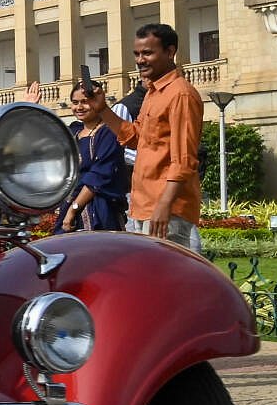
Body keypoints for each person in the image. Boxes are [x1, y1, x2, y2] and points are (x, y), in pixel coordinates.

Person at [90, 22, 204, 250]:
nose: (140, 60)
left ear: (170, 52)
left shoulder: (180, 94)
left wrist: (164, 204)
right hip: (144, 205)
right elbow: (135, 138)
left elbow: (184, 160)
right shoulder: (153, 93)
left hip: (166, 209)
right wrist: (102, 109)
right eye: (137, 54)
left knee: (165, 271)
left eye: (147, 53)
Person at [55, 80, 128, 232]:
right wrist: (30, 106)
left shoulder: (108, 133)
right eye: (75, 102)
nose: (79, 107)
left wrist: (74, 209)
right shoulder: (73, 132)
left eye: (85, 102)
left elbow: (99, 175)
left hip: (100, 211)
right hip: (69, 207)